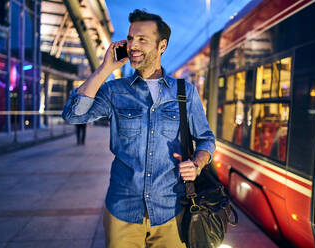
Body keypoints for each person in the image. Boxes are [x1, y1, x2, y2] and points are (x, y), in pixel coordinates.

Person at [62, 9, 215, 248]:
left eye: (142, 39)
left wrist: (196, 165)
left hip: (171, 211)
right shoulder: (115, 90)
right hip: (123, 210)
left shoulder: (185, 92)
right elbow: (73, 115)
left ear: (161, 46)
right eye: (131, 38)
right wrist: (105, 69)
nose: (133, 44)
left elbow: (206, 140)